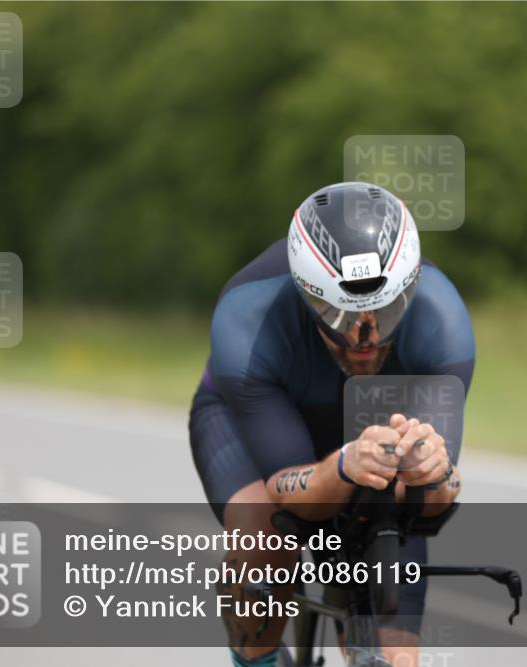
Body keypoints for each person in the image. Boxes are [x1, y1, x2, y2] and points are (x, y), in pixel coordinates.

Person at [189, 181, 475, 667]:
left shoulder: (442, 323)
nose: (365, 337)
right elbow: (285, 489)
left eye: (385, 311)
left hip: (371, 427)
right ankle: (256, 658)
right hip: (252, 421)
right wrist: (342, 466)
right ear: (305, 293)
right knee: (264, 532)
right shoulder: (247, 315)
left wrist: (435, 474)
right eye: (338, 314)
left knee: (395, 657)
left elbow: (430, 509)